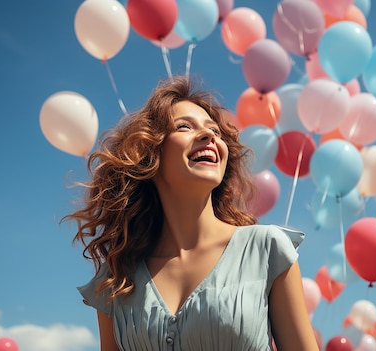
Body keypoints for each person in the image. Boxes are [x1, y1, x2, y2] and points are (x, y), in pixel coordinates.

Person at [65, 76, 319, 351]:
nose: (210, 136)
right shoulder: (116, 279)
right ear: (150, 154)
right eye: (184, 126)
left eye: (215, 132)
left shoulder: (267, 249)